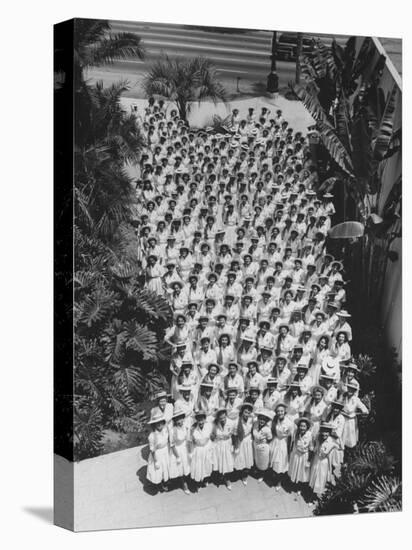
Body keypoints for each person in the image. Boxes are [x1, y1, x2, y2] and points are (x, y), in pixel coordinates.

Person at [309, 422, 338, 501]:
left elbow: (335, 452)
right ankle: (311, 490)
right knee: (313, 475)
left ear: (329, 432)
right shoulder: (318, 438)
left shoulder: (331, 442)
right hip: (316, 459)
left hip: (323, 462)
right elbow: (315, 447)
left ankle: (314, 495)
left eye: (327, 432)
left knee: (320, 478)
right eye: (323, 431)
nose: (325, 434)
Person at [270, 402, 294, 490]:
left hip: (283, 443)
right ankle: (274, 477)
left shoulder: (289, 422)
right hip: (275, 442)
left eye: (282, 411)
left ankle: (279, 482)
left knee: (281, 463)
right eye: (278, 411)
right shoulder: (275, 420)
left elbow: (291, 435)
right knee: (274, 461)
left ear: (285, 412)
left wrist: (289, 448)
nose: (280, 413)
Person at [210, 408, 235, 490]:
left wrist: (233, 446)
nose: (223, 419)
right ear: (217, 418)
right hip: (218, 445)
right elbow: (212, 436)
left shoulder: (231, 423)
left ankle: (227, 480)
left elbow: (234, 435)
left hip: (227, 444)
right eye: (221, 418)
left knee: (227, 462)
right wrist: (214, 437)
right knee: (219, 461)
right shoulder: (214, 424)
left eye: (224, 417)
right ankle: (221, 476)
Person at [169, 403, 191, 494]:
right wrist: (177, 456)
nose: (179, 421)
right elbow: (172, 445)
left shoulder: (185, 427)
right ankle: (184, 483)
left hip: (185, 447)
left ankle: (189, 479)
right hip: (177, 450)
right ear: (175, 420)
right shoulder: (172, 430)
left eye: (181, 418)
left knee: (187, 465)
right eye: (177, 419)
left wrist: (189, 451)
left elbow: (188, 439)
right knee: (180, 467)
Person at [146, 410, 170, 493]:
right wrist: (155, 461)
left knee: (165, 468)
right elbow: (152, 450)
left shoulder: (165, 431)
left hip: (165, 451)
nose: (159, 425)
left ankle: (165, 481)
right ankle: (159, 485)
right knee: (158, 470)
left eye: (161, 422)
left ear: (163, 423)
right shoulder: (152, 436)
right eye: (157, 423)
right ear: (154, 425)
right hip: (157, 454)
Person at [189, 410, 214, 490]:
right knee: (198, 466)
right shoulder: (193, 428)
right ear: (196, 419)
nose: (200, 421)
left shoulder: (209, 426)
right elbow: (191, 441)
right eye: (199, 419)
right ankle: (198, 483)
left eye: (202, 418)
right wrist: (191, 452)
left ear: (204, 419)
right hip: (198, 449)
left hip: (206, 448)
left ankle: (205, 479)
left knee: (206, 464)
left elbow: (211, 437)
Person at [288, 417, 313, 493]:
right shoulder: (295, 433)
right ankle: (293, 484)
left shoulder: (309, 435)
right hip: (296, 454)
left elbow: (311, 448)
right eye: (300, 426)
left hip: (304, 456)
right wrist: (291, 453)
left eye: (304, 426)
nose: (302, 428)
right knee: (294, 469)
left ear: (307, 427)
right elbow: (292, 443)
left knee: (302, 472)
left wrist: (309, 460)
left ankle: (300, 487)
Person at [342, 383, 369, 448]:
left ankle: (350, 452)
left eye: (352, 390)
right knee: (342, 437)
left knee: (350, 439)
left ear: (354, 391)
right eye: (349, 389)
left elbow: (365, 411)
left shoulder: (356, 399)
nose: (350, 391)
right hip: (343, 420)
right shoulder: (343, 397)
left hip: (351, 421)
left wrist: (356, 414)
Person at [233, 402, 255, 485]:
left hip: (248, 441)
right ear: (242, 412)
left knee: (247, 458)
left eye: (249, 413)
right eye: (245, 412)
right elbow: (235, 435)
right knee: (240, 458)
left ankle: (245, 476)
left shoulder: (251, 420)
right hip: (240, 441)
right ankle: (239, 473)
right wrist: (236, 446)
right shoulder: (237, 421)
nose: (247, 414)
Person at [252, 409, 274, 482]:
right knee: (257, 459)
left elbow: (270, 438)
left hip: (263, 447)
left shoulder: (267, 429)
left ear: (266, 421)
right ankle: (258, 471)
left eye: (264, 420)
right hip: (255, 445)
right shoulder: (255, 425)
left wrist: (265, 441)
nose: (262, 421)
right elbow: (253, 433)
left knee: (263, 461)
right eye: (260, 419)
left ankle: (262, 475)